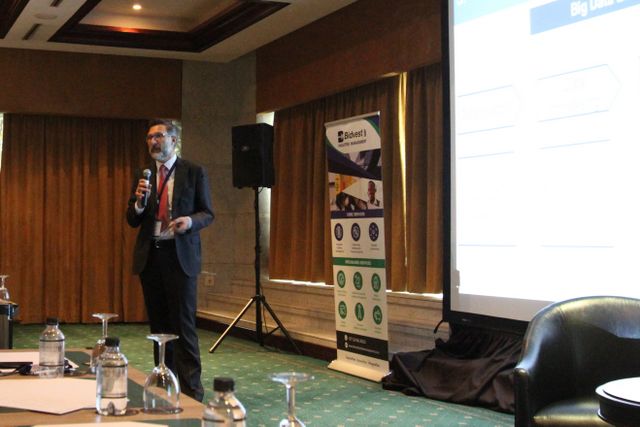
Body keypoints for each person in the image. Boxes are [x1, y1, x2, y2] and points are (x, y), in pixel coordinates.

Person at [126, 119, 214, 402]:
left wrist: (190, 221)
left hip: (180, 256)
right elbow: (132, 219)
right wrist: (139, 203)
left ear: (173, 140)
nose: (153, 141)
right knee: (160, 327)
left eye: (159, 136)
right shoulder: (144, 175)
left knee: (183, 326)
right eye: (149, 137)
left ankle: (192, 392)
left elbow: (207, 213)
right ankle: (165, 385)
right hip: (151, 257)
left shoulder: (193, 171)